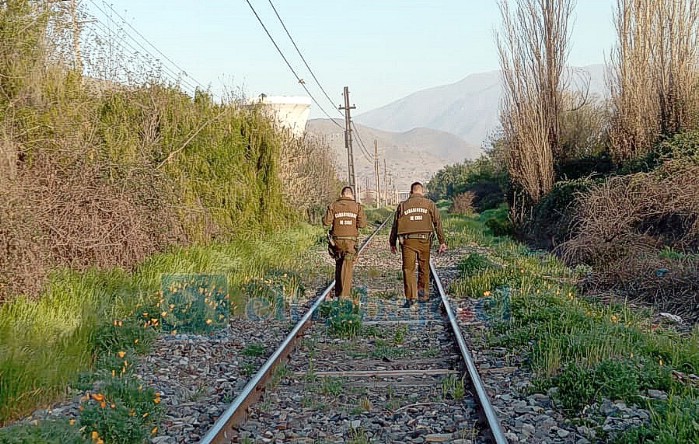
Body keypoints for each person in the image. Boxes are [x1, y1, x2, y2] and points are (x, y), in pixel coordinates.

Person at [389, 182, 447, 308]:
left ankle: (411, 299)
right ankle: (423, 296)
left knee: (408, 269)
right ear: (422, 191)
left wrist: (392, 242)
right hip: (425, 240)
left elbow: (395, 225)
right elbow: (438, 223)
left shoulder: (402, 205)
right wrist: (442, 241)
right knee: (424, 268)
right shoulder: (429, 204)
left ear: (411, 192)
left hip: (408, 241)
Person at [323, 186, 367, 299]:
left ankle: (338, 292)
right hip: (350, 241)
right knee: (347, 267)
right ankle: (344, 297)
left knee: (339, 264)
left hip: (336, 241)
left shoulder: (333, 206)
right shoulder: (357, 207)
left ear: (341, 194)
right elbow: (362, 224)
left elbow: (326, 222)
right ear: (351, 195)